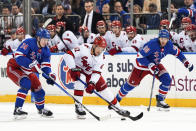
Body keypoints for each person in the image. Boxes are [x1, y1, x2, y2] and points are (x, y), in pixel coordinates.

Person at [115, 29, 194, 111]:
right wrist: (150, 65)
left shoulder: (169, 45)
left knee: (167, 79)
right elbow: (139, 57)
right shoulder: (152, 44)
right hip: (142, 66)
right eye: (162, 38)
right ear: (159, 38)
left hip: (155, 65)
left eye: (165, 39)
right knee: (130, 85)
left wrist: (186, 62)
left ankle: (160, 100)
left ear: (168, 39)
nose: (163, 41)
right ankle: (116, 100)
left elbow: (178, 53)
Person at [63, 36, 130, 119]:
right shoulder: (83, 48)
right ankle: (78, 106)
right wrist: (72, 68)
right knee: (81, 79)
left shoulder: (101, 57)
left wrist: (92, 83)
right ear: (94, 46)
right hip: (77, 70)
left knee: (104, 88)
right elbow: (67, 55)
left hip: (90, 73)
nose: (100, 51)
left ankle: (118, 108)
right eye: (99, 48)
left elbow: (96, 73)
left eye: (102, 49)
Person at [6, 28, 56, 119]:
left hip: (27, 70)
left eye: (47, 40)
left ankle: (41, 109)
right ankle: (17, 109)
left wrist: (50, 75)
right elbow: (18, 56)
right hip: (15, 67)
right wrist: (30, 63)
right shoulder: (28, 42)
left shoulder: (46, 50)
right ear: (38, 38)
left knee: (39, 90)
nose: (45, 42)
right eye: (44, 39)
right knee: (26, 83)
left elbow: (45, 66)